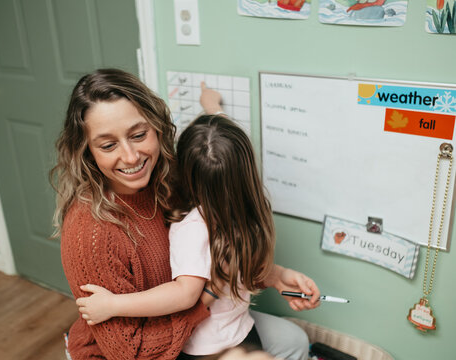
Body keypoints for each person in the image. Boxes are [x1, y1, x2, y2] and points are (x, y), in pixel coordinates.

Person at [75, 111, 321, 358]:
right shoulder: (199, 227)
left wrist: (280, 276)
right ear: (246, 173)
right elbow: (184, 294)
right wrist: (113, 305)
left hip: (239, 329)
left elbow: (236, 270)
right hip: (208, 349)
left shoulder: (232, 215)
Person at [51, 68, 216, 360]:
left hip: (180, 328)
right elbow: (134, 353)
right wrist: (207, 297)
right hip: (134, 353)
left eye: (138, 135)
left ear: (157, 127)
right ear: (88, 151)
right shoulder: (91, 233)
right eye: (108, 145)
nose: (130, 157)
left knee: (288, 339)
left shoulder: (165, 177)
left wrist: (213, 110)